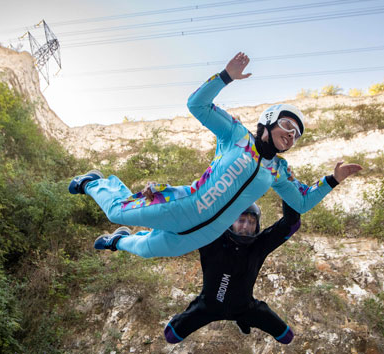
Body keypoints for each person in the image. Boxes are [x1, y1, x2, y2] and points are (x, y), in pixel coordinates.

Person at [69, 52, 362, 258]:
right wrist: (225, 77)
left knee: (146, 250)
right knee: (114, 210)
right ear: (269, 120)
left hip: (206, 233)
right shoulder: (236, 135)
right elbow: (196, 105)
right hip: (181, 207)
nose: (291, 135)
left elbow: (301, 201)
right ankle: (94, 182)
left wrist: (332, 180)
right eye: (287, 125)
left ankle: (119, 241)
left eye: (296, 134)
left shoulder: (278, 170)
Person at [161, 201, 299, 344]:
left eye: (252, 222)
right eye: (241, 220)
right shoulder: (212, 239)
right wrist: (156, 195)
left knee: (286, 337)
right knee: (171, 336)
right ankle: (242, 321)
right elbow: (182, 218)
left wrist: (286, 183)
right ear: (231, 221)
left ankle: (242, 319)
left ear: (257, 226)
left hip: (245, 308)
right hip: (207, 307)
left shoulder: (259, 245)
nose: (246, 226)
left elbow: (292, 224)